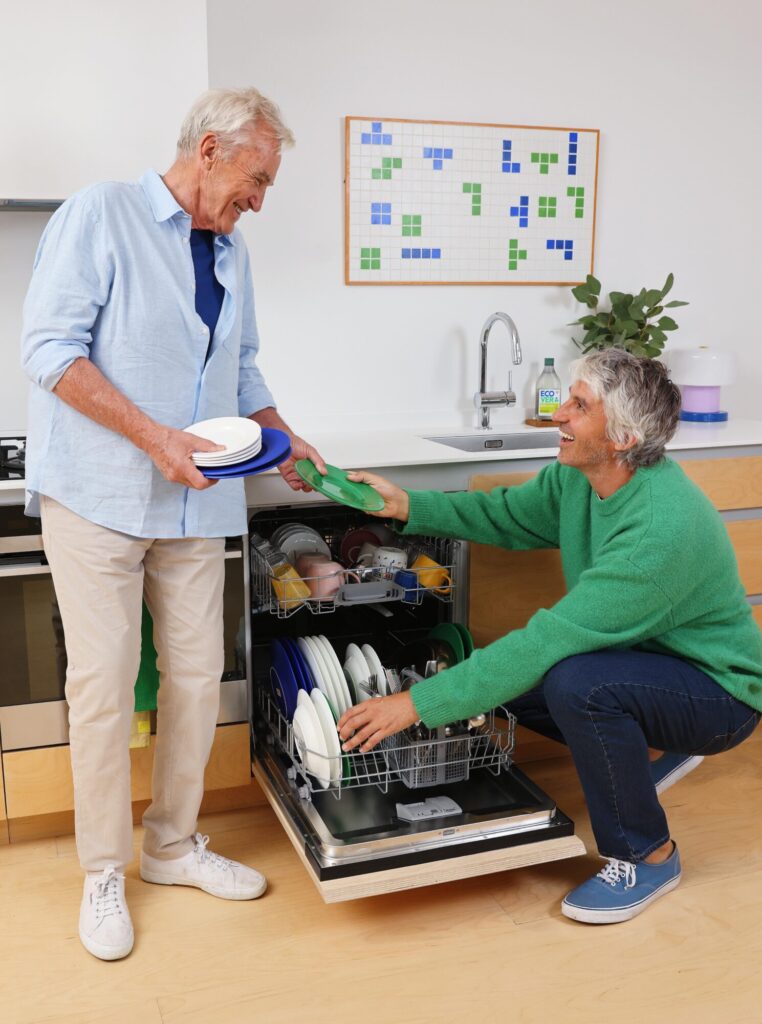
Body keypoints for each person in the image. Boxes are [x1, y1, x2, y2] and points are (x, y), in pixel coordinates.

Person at [21, 87, 326, 961]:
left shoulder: (230, 252)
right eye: (255, 179)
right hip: (102, 493)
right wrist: (152, 436)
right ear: (208, 151)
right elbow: (49, 349)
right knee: (106, 685)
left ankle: (169, 846)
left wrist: (283, 435)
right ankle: (103, 870)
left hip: (197, 500)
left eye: (266, 186)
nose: (259, 200)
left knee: (198, 678)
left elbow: (245, 368)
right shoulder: (102, 215)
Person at [338, 349, 762, 924]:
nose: (559, 415)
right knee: (499, 679)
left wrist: (417, 703)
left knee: (576, 683)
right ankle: (650, 749)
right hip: (650, 661)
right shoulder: (581, 476)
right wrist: (409, 504)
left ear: (621, 438)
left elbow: (547, 641)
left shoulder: (658, 531)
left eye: (579, 406)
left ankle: (647, 855)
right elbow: (507, 516)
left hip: (719, 692)